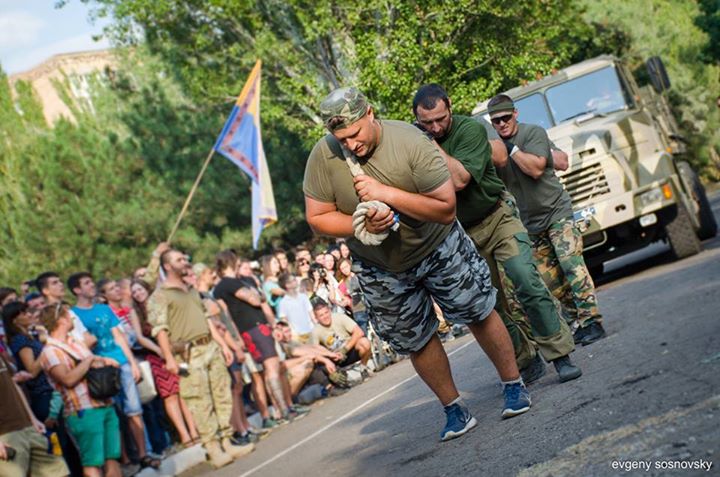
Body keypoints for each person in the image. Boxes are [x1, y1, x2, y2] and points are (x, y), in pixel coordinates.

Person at [303, 86, 531, 441]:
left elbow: (445, 208)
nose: (350, 145)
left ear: (370, 114)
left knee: (478, 311)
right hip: (380, 265)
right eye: (341, 139)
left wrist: (386, 195)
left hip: (437, 245)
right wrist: (359, 224)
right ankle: (454, 408)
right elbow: (317, 217)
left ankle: (513, 384)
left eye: (354, 135)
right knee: (416, 339)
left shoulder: (410, 140)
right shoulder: (323, 155)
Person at [412, 83, 581, 383]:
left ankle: (560, 354)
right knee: (490, 304)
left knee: (526, 280)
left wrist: (429, 144)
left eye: (440, 119)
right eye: (427, 123)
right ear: (416, 119)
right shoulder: (413, 141)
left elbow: (459, 179)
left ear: (449, 107)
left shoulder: (469, 129)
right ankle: (524, 359)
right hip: (461, 234)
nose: (436, 127)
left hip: (497, 217)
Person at [487, 94, 606, 345]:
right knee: (551, 280)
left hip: (556, 213)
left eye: (506, 118)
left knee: (571, 266)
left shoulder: (532, 133)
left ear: (515, 114)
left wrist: (512, 149)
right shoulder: (495, 147)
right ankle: (578, 321)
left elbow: (535, 168)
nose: (502, 124)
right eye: (496, 121)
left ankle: (592, 320)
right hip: (529, 224)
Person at [147, 249, 253, 468]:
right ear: (167, 266)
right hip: (189, 354)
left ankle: (227, 440)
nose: (185, 261)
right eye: (179, 259)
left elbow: (206, 319)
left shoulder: (191, 289)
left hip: (210, 346)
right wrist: (169, 358)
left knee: (221, 395)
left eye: (185, 258)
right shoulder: (161, 295)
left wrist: (223, 345)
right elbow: (160, 330)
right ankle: (213, 448)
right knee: (200, 402)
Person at [66, 272, 161, 471]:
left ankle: (144, 454)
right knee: (113, 415)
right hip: (100, 370)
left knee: (134, 410)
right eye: (86, 283)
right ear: (76, 290)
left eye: (92, 281)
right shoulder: (74, 314)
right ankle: (123, 460)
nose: (91, 285)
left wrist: (132, 362)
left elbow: (118, 336)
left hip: (122, 363)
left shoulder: (103, 308)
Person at [39, 303, 122, 477]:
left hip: (104, 403)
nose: (72, 318)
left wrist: (103, 361)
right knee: (92, 462)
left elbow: (91, 364)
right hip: (82, 410)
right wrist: (89, 360)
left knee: (112, 457)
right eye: (68, 315)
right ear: (60, 320)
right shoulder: (50, 351)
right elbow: (67, 379)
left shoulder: (75, 342)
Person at [130, 279, 200, 448]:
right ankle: (184, 435)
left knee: (184, 391)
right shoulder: (135, 312)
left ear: (147, 288)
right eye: (134, 292)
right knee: (170, 395)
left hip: (176, 350)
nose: (138, 293)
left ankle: (195, 431)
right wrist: (158, 349)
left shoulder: (160, 302)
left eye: (140, 289)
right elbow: (139, 337)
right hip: (155, 355)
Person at [0, 349, 69, 477]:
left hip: (27, 426)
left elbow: (13, 384)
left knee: (59, 472)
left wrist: (32, 419)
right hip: (5, 435)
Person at [36, 272, 96, 349]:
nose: (61, 284)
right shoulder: (45, 316)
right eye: (55, 283)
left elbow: (89, 339)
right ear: (45, 291)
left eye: (60, 281)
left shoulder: (69, 311)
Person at [310, 300, 371, 369]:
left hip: (350, 349)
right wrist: (330, 357)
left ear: (330, 311)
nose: (325, 316)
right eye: (321, 315)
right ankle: (334, 375)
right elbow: (314, 352)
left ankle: (363, 367)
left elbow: (359, 332)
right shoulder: (315, 331)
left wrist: (344, 350)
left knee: (365, 342)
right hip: (335, 358)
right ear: (317, 318)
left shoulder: (339, 317)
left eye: (326, 313)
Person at [277, 273, 316, 343]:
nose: (296, 281)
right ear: (287, 285)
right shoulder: (283, 302)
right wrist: (292, 334)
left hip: (311, 330)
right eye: (294, 280)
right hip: (298, 336)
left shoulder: (303, 296)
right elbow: (284, 320)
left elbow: (311, 313)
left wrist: (316, 326)